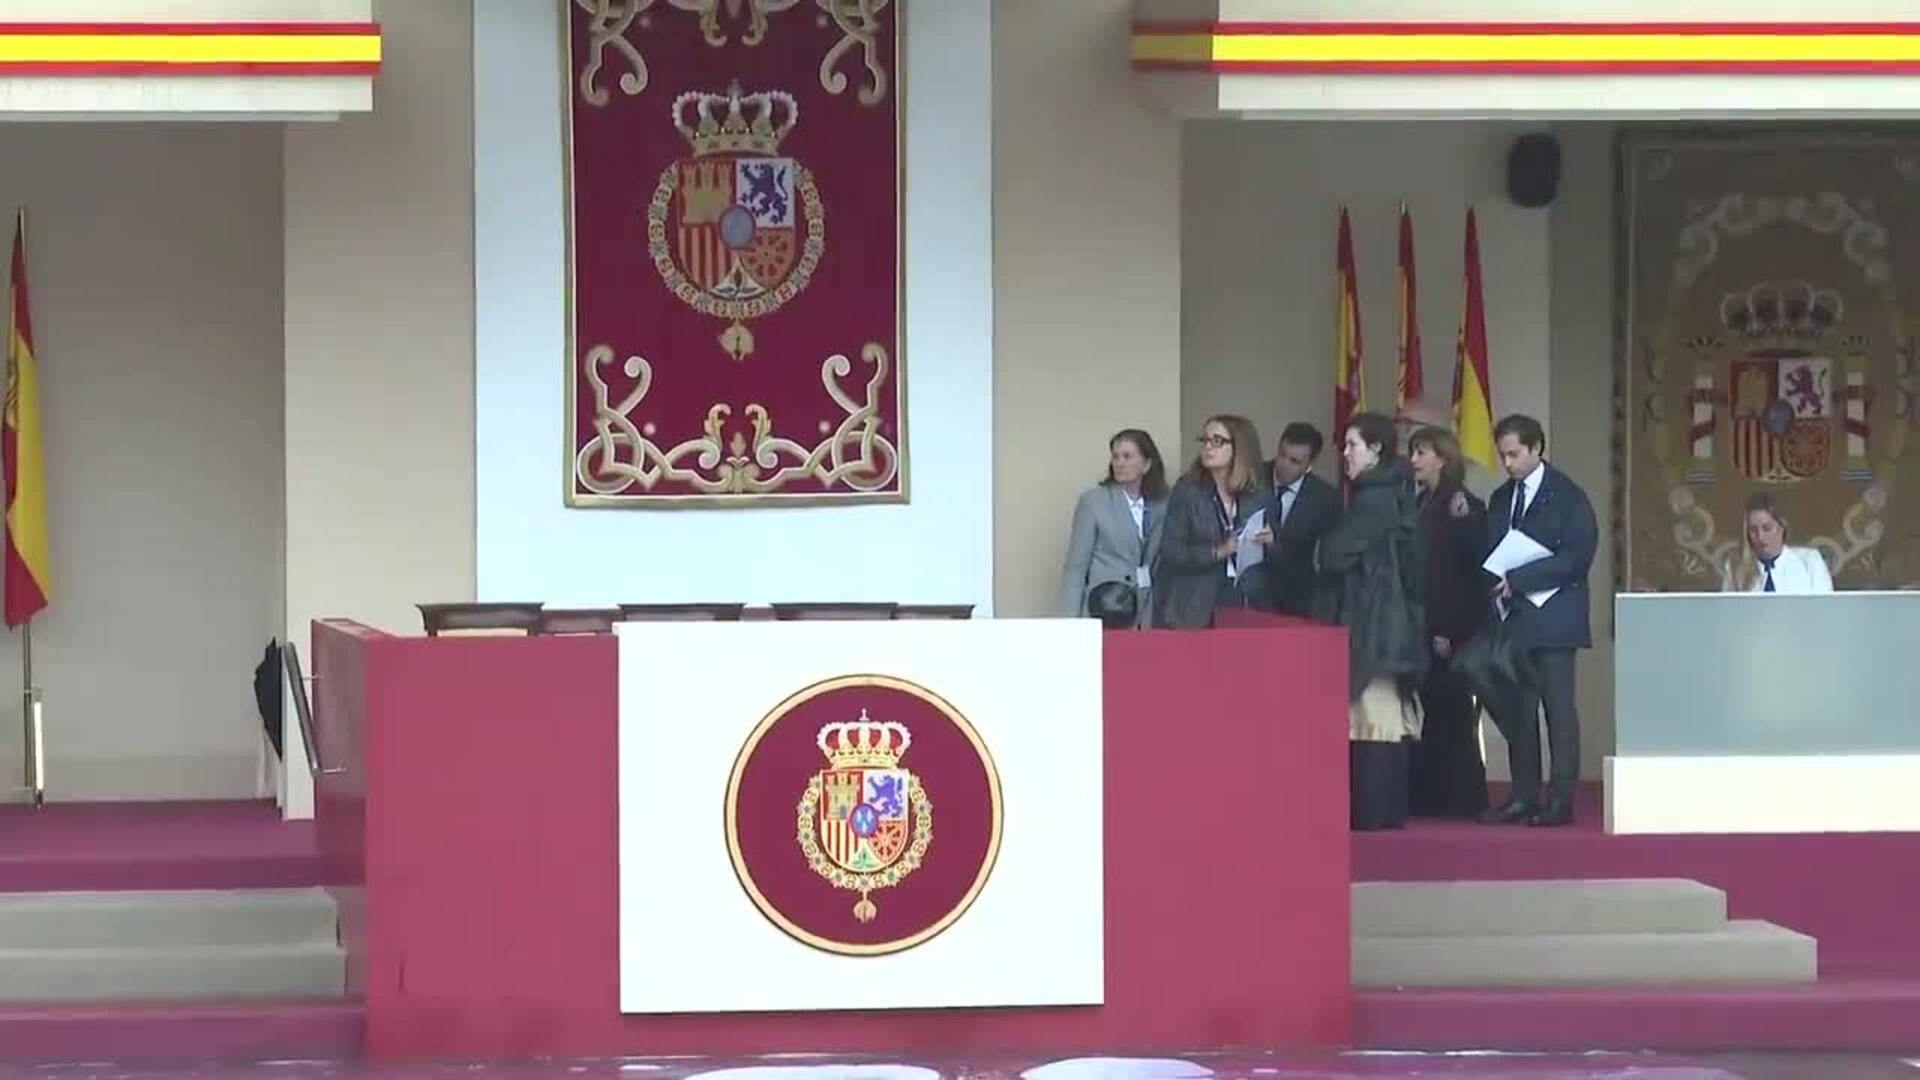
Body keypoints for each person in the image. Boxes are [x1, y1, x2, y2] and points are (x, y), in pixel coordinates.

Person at [1481, 414, 1597, 828]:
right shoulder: (1501, 497)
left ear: (1536, 448)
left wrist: (1520, 579)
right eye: (1503, 455)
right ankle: (1523, 795)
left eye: (1514, 454)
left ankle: (1561, 798)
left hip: (1555, 617)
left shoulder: (1567, 495)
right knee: (1519, 711)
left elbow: (1577, 557)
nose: (1508, 463)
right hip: (1514, 619)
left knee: (1558, 711)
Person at [1317, 411, 1426, 831]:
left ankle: (1373, 811)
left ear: (1376, 449)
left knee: (1370, 715)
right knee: (1380, 715)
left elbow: (1334, 555)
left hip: (1374, 621)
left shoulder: (1373, 500)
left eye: (1352, 445)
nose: (1345, 454)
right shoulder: (1394, 492)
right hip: (1391, 621)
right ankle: (1384, 809)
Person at [1406, 426, 1489, 818]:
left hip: (1450, 626)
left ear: (1443, 458)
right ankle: (1434, 795)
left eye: (1422, 452)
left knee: (1453, 712)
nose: (1414, 460)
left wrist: (1449, 628)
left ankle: (1462, 797)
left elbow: (1464, 574)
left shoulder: (1460, 505)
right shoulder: (1423, 502)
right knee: (1436, 710)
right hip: (1425, 621)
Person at [1152, 415, 1275, 629]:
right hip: (1195, 603)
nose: (1208, 447)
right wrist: (1217, 552)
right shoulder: (1188, 490)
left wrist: (1271, 541)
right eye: (1205, 440)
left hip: (1246, 599)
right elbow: (1171, 550)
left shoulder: (1258, 492)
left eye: (1217, 441)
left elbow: (1280, 554)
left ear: (1240, 447)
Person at [1058, 429, 1170, 627]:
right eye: (1115, 457)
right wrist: (1069, 623)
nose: (1119, 463)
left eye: (1127, 456)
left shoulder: (1162, 504)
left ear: (1146, 464)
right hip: (1104, 606)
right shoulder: (1094, 502)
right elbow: (1076, 566)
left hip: (1146, 611)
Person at [1264, 422, 1341, 618]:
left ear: (1309, 464)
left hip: (1297, 600)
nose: (1284, 464)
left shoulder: (1326, 498)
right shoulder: (1252, 478)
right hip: (1250, 595)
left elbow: (1326, 556)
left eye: (1295, 461)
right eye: (1282, 454)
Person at [1733, 491, 1833, 594]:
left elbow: (1826, 602)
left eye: (1767, 528)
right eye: (1753, 530)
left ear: (1782, 527)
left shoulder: (1809, 561)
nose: (1760, 537)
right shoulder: (1735, 568)